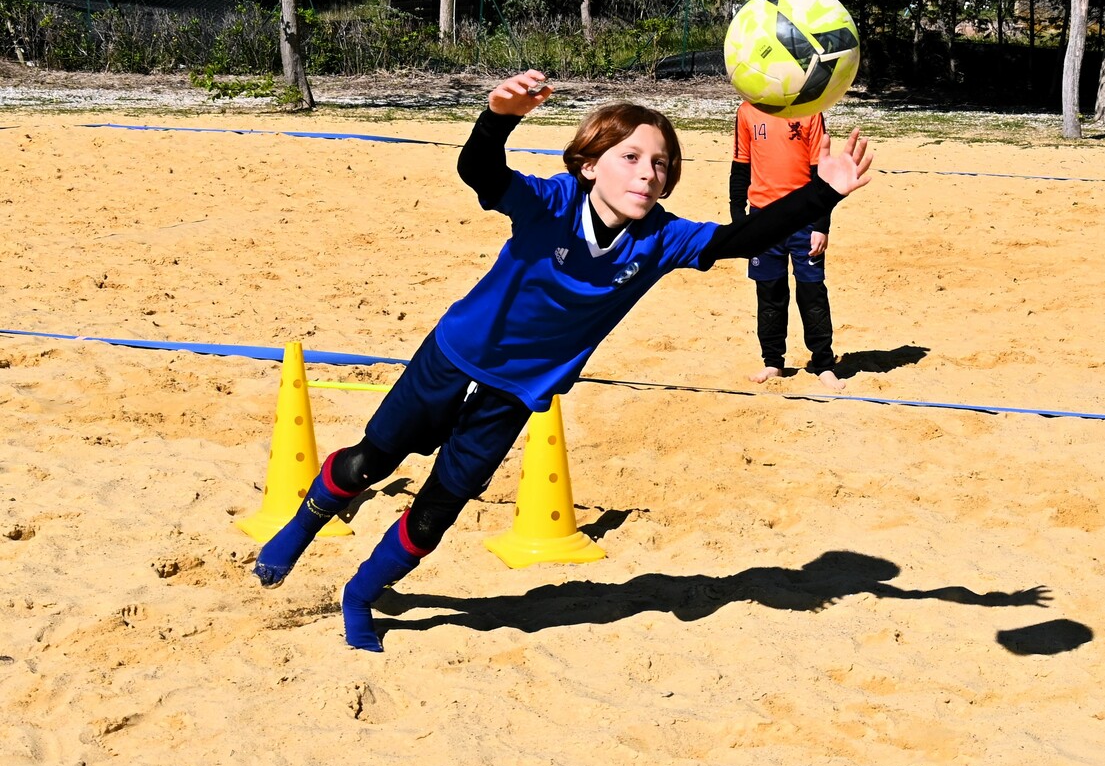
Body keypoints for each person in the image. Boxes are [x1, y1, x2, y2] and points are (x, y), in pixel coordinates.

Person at [252, 71, 874, 652]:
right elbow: (480, 173)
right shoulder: (550, 203)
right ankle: (301, 527)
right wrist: (499, 117)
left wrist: (824, 192)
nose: (648, 173)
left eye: (661, 163)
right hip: (454, 358)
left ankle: (361, 595)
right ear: (588, 164)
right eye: (631, 157)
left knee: (438, 509)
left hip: (516, 392)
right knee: (370, 462)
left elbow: (744, 238)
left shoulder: (662, 237)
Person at [729, 101, 845, 391]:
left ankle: (824, 364)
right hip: (763, 217)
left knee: (812, 292)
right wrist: (739, 219)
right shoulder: (748, 111)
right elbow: (741, 165)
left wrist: (821, 225)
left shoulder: (810, 110)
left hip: (804, 217)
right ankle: (773, 363)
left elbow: (821, 171)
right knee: (770, 293)